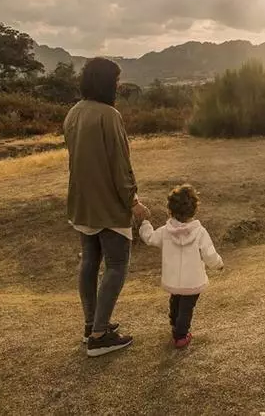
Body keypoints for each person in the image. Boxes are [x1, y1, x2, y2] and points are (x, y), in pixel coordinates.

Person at [65, 57, 149, 358]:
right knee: (116, 265)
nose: (117, 86)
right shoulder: (109, 115)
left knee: (89, 262)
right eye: (115, 81)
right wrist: (134, 202)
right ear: (105, 82)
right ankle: (100, 336)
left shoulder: (73, 113)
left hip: (81, 203)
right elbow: (119, 165)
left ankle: (91, 326)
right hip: (107, 205)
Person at [137, 184, 224, 349]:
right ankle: (181, 336)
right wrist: (218, 264)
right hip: (193, 280)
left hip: (173, 279)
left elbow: (150, 238)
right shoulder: (199, 232)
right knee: (187, 307)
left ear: (170, 210)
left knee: (176, 299)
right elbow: (209, 254)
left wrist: (145, 224)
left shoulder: (165, 231)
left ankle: (174, 322)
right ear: (194, 210)